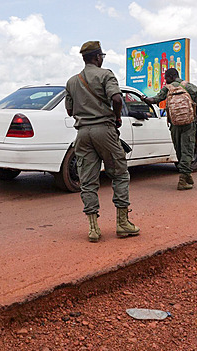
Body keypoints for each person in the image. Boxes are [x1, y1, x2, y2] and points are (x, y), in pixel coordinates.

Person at [65, 41, 140, 243]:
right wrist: (116, 117)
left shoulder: (72, 81)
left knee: (87, 181)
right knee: (120, 174)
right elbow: (116, 99)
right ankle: (123, 223)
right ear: (98, 57)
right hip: (104, 130)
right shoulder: (105, 74)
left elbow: (69, 110)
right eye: (101, 56)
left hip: (82, 133)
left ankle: (93, 228)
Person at [143, 68, 197, 190]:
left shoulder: (167, 88)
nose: (165, 80)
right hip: (189, 123)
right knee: (187, 150)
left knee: (179, 150)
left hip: (174, 124)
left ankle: (185, 176)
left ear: (171, 76)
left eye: (166, 77)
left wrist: (144, 98)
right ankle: (184, 178)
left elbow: (154, 100)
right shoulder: (191, 87)